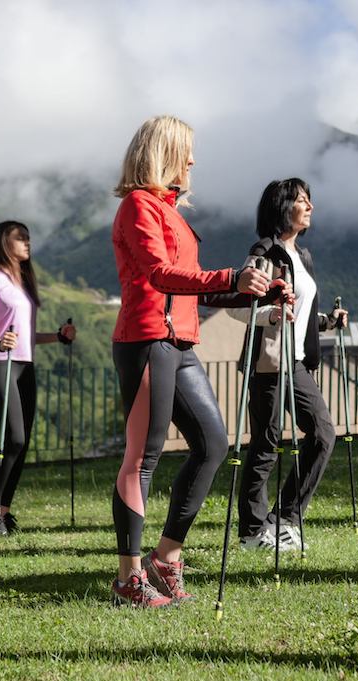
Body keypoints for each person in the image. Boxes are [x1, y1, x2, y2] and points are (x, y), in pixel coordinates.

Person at [109, 115, 272, 608]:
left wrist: (255, 295)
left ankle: (166, 557)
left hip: (180, 343)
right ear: (163, 153)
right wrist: (231, 276)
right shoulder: (139, 206)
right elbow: (162, 275)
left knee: (213, 444)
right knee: (142, 459)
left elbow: (192, 286)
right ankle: (127, 580)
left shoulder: (171, 212)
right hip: (145, 341)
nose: (193, 161)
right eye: (186, 151)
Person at [233, 178, 348, 552]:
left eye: (309, 199)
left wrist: (329, 321)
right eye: (301, 200)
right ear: (284, 207)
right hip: (268, 363)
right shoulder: (264, 252)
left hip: (295, 362)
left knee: (322, 433)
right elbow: (238, 308)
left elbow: (300, 314)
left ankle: (284, 518)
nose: (309, 206)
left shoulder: (303, 256)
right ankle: (252, 532)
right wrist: (272, 316)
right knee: (265, 444)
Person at [0, 221, 77, 537]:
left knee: (22, 442)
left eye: (29, 236)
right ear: (3, 241)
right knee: (13, 439)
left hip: (25, 364)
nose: (27, 241)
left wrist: (58, 337)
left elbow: (26, 335)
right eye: (20, 236)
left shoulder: (23, 283)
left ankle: (3, 512)